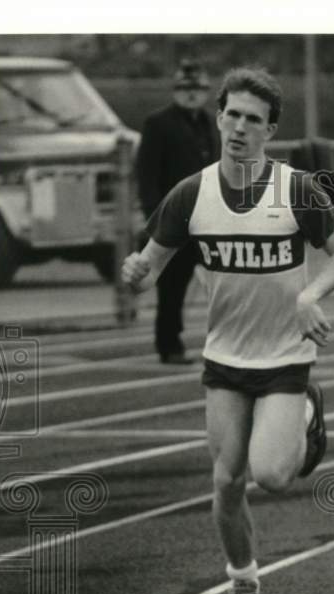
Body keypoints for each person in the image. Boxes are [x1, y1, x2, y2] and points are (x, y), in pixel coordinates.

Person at [123, 67, 334, 594]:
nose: (239, 128)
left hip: (285, 359)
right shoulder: (192, 194)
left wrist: (309, 294)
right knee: (227, 481)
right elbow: (150, 267)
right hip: (225, 360)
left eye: (254, 120)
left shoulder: (296, 190)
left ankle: (306, 411)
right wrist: (136, 273)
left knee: (273, 476)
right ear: (219, 118)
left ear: (270, 130)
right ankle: (243, 585)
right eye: (231, 115)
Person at [136, 59, 220, 365]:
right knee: (171, 287)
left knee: (225, 281)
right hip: (173, 220)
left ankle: (226, 344)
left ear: (207, 91)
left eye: (197, 88)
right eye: (185, 88)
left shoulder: (212, 122)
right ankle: (168, 344)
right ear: (175, 90)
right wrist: (154, 220)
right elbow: (146, 175)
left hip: (207, 218)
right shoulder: (157, 123)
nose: (191, 94)